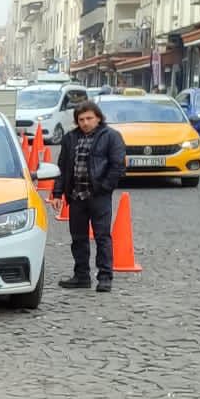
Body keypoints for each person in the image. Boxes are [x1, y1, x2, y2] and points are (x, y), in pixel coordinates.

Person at [55, 100, 127, 292]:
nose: (85, 122)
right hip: (76, 196)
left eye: (89, 118)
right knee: (78, 238)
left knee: (102, 237)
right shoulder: (70, 138)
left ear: (98, 118)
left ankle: (105, 277)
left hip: (98, 196)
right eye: (81, 119)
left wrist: (104, 187)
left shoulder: (111, 136)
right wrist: (57, 193)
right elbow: (62, 167)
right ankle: (81, 276)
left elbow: (118, 165)